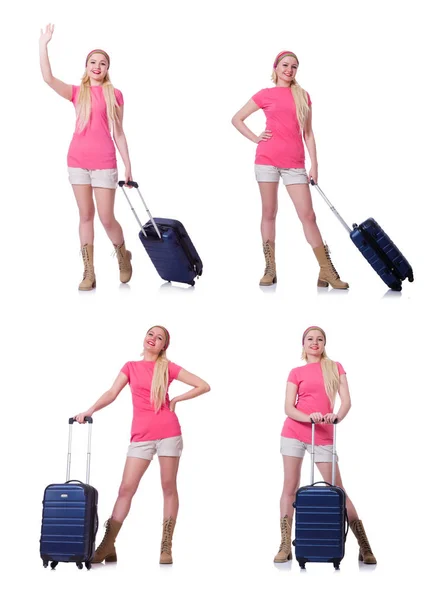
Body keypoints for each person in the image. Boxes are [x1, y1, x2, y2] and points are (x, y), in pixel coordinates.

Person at [74, 325, 211, 564]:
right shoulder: (131, 367)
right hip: (141, 437)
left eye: (160, 338)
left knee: (168, 486)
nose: (153, 339)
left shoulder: (167, 367)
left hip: (168, 432)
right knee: (126, 488)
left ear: (163, 346)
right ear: (145, 338)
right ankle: (108, 545)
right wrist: (89, 410)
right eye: (151, 334)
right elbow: (111, 392)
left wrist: (176, 399)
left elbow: (203, 385)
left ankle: (166, 547)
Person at [231, 50, 348, 289]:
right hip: (266, 160)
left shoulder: (303, 95)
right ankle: (270, 268)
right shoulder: (265, 94)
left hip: (295, 163)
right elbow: (237, 118)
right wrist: (256, 138)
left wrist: (315, 164)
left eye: (294, 66)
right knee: (269, 213)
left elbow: (308, 133)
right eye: (285, 65)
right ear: (276, 67)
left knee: (308, 216)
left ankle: (326, 270)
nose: (289, 70)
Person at [39, 23, 133, 291]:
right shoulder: (76, 93)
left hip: (104, 164)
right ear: (86, 66)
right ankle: (89, 272)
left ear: (107, 69)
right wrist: (43, 44)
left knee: (106, 217)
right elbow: (47, 78)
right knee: (85, 216)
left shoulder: (114, 94)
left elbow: (119, 132)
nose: (97, 66)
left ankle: (122, 255)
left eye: (102, 63)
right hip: (77, 162)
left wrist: (128, 165)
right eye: (93, 61)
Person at [275, 326, 376, 564]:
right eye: (310, 338)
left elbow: (346, 401)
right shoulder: (295, 371)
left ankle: (364, 545)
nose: (315, 342)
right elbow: (289, 407)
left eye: (320, 339)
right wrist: (308, 417)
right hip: (294, 431)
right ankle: (284, 545)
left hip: (323, 433)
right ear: (303, 343)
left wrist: (337, 416)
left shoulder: (335, 367)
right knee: (290, 487)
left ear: (324, 344)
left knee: (338, 490)